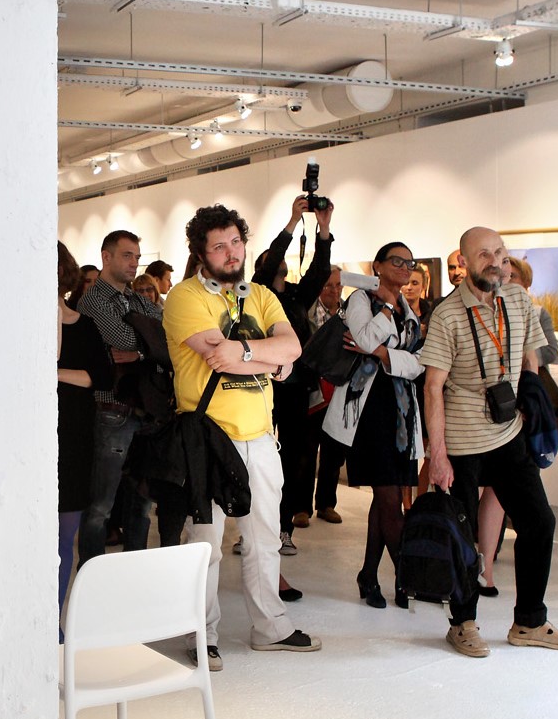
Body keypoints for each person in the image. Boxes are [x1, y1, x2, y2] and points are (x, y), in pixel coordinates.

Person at [163, 204, 318, 668]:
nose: (231, 253)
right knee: (205, 544)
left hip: (261, 438)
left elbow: (293, 348)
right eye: (219, 246)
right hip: (208, 438)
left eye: (235, 242)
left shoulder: (262, 295)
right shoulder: (185, 297)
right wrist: (272, 361)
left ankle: (270, 626)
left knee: (265, 538)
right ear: (200, 253)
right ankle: (200, 633)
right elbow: (221, 358)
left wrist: (246, 351)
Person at [418, 226, 558, 658]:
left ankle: (530, 621)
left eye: (500, 253)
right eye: (484, 255)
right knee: (463, 534)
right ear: (464, 262)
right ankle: (463, 623)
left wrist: (527, 398)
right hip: (462, 441)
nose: (495, 262)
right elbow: (432, 387)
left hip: (509, 434)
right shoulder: (448, 315)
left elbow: (531, 354)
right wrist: (437, 455)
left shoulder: (518, 300)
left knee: (539, 522)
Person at [321, 243, 424, 607]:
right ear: (377, 265)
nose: (404, 267)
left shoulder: (409, 308)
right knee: (389, 500)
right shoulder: (361, 300)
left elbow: (419, 363)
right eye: (396, 261)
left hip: (401, 414)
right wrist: (387, 309)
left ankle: (368, 575)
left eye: (409, 263)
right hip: (368, 413)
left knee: (386, 501)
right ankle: (408, 576)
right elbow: (362, 338)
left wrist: (382, 354)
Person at [75, 230, 169, 564]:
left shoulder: (136, 299)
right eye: (127, 255)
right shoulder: (93, 301)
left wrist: (143, 352)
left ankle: (134, 569)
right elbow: (123, 338)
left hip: (145, 408)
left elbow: (168, 335)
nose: (134, 263)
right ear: (106, 257)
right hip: (111, 408)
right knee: (101, 504)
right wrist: (149, 342)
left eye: (137, 257)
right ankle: (92, 572)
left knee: (142, 500)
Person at [251, 194, 335, 548]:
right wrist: (291, 222)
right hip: (260, 383)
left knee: (294, 457)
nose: (280, 262)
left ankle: (283, 528)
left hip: (296, 385)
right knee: (258, 456)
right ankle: (254, 528)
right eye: (275, 259)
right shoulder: (257, 292)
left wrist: (323, 228)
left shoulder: (299, 296)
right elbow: (271, 261)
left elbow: (320, 270)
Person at [473, 255, 558, 594]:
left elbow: (544, 352)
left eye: (514, 278)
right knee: (488, 492)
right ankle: (482, 567)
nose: (508, 282)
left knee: (518, 504)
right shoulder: (479, 311)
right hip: (487, 414)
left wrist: (523, 354)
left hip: (520, 410)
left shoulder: (533, 312)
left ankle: (489, 569)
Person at [58, 243, 110, 606]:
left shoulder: (84, 325)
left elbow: (101, 377)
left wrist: (54, 374)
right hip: (32, 443)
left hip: (74, 438)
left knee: (64, 537)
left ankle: (54, 619)